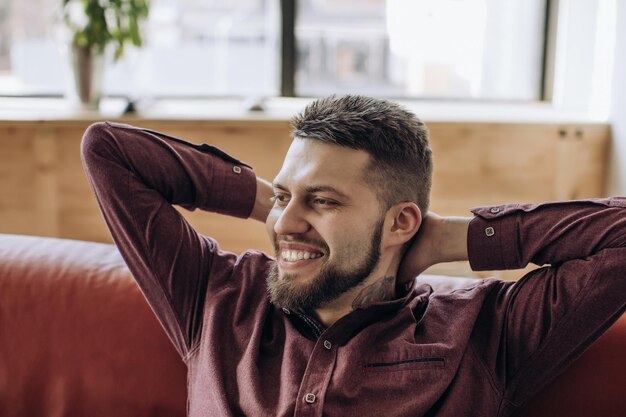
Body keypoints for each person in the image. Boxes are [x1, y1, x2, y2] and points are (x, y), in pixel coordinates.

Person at [81, 95, 625, 417]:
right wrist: (268, 203)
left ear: (401, 223)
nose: (287, 225)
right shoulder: (215, 298)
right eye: (284, 196)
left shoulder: (486, 334)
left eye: (323, 200)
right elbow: (107, 150)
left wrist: (452, 238)